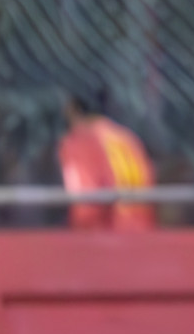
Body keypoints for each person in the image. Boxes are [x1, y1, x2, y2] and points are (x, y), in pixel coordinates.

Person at [57, 92, 157, 231]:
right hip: (141, 231)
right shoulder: (126, 138)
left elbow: (85, 198)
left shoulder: (80, 140)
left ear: (74, 110)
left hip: (104, 236)